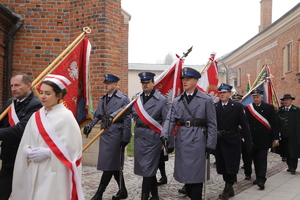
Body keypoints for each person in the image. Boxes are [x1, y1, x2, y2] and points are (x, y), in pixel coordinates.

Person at [12, 74, 84, 200]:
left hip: (54, 172)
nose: (43, 96)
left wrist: (49, 153)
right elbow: (26, 142)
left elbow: (74, 151)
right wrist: (27, 150)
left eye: (48, 93)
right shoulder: (36, 116)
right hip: (34, 169)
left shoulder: (66, 117)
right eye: (41, 92)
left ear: (59, 96)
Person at [161, 67, 217, 200]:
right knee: (186, 175)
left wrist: (211, 143)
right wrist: (165, 136)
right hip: (182, 140)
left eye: (188, 79)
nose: (184, 81)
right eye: (183, 79)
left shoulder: (206, 99)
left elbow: (212, 123)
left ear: (196, 81)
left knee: (197, 177)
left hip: (198, 140)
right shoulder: (177, 100)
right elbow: (169, 120)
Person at [83, 74, 131, 200]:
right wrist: (91, 125)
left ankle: (99, 193)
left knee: (110, 164)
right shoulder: (103, 99)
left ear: (115, 84)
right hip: (105, 134)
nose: (106, 84)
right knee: (114, 165)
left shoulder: (123, 99)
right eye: (105, 82)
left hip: (116, 134)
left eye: (109, 83)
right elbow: (98, 115)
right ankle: (123, 191)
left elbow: (127, 119)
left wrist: (126, 137)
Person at [0, 73, 42, 200]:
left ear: (29, 86)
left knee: (24, 195)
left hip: (25, 157)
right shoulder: (10, 102)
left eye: (17, 85)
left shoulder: (36, 105)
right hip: (9, 157)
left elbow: (21, 129)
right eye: (12, 85)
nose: (13, 89)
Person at [132, 72, 169, 200]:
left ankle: (144, 197)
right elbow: (125, 111)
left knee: (147, 168)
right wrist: (112, 116)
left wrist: (165, 137)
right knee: (147, 168)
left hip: (153, 138)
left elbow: (167, 120)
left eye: (147, 82)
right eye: (143, 83)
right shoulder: (137, 99)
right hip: (139, 138)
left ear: (153, 83)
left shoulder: (162, 100)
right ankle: (155, 195)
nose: (145, 85)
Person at [215, 85, 252, 200]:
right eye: (220, 92)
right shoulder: (215, 106)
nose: (222, 94)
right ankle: (229, 187)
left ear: (230, 94)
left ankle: (227, 188)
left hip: (232, 140)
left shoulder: (237, 106)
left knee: (231, 165)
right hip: (220, 140)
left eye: (224, 92)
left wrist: (249, 142)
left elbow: (245, 126)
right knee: (222, 165)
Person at [244, 89, 279, 190]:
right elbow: (245, 124)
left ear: (261, 97)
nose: (255, 99)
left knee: (262, 159)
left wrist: (275, 137)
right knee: (255, 159)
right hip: (253, 138)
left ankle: (262, 179)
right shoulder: (248, 108)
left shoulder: (269, 107)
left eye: (257, 97)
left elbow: (274, 123)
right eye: (254, 97)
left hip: (264, 138)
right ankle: (258, 177)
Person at [276, 94, 300, 174]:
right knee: (286, 151)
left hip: (294, 134)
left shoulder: (296, 110)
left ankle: (293, 167)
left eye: (288, 100)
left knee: (294, 151)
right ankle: (289, 166)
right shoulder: (280, 111)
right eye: (285, 100)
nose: (286, 101)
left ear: (291, 101)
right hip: (284, 135)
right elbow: (277, 123)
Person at [231, 93, 252, 181]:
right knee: (234, 158)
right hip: (234, 136)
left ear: (241, 100)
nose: (237, 102)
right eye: (235, 101)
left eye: (238, 101)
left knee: (247, 157)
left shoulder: (246, 109)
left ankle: (248, 173)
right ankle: (233, 175)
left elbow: (247, 123)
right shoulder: (230, 108)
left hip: (243, 135)